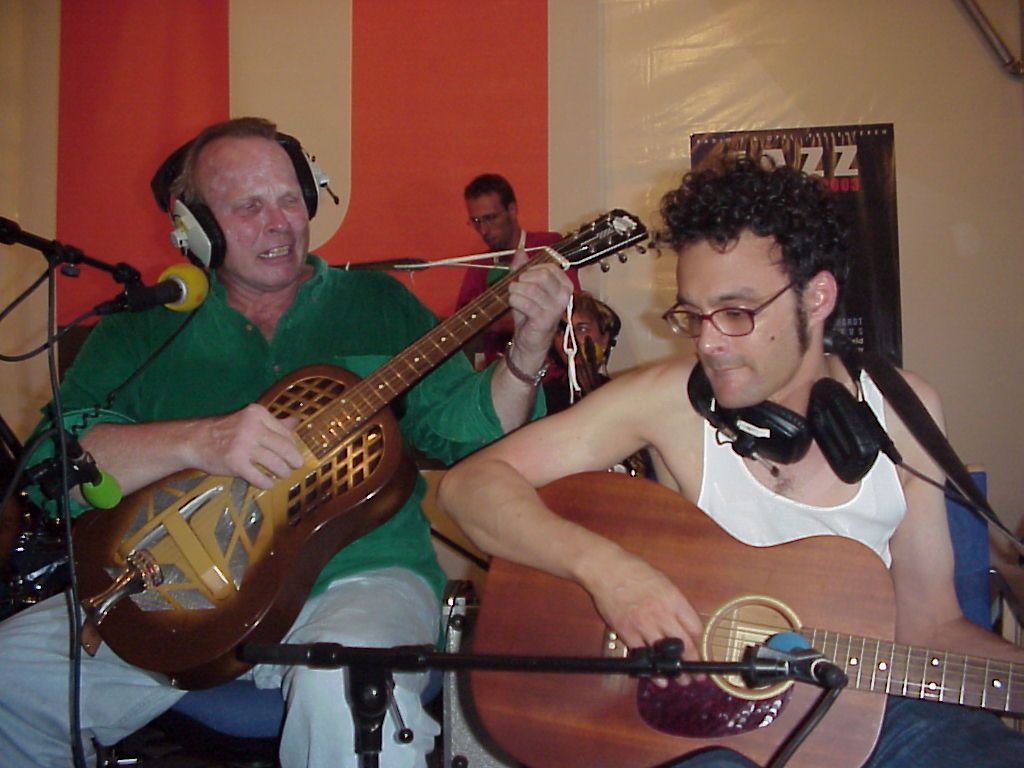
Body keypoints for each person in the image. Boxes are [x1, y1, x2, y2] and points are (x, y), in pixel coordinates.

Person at [0, 117, 572, 768]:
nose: (279, 224)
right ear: (196, 228)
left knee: (343, 694)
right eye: (248, 207)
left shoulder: (378, 304)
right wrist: (200, 441)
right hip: (173, 590)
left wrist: (527, 351)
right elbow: (53, 465)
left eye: (290, 200)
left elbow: (470, 435)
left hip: (358, 580)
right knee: (10, 678)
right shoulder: (141, 328)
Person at [438, 158, 1024, 766]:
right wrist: (610, 573)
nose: (709, 343)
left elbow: (930, 626)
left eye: (737, 313)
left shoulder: (905, 410)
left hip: (873, 711)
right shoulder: (669, 401)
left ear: (817, 297)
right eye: (692, 315)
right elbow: (469, 487)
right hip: (709, 725)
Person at [456, 173, 581, 368]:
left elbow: (573, 310)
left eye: (490, 218)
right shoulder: (479, 266)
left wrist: (491, 321)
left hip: (551, 371)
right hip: (499, 371)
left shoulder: (547, 247)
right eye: (476, 221)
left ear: (512, 210)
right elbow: (462, 326)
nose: (484, 230)